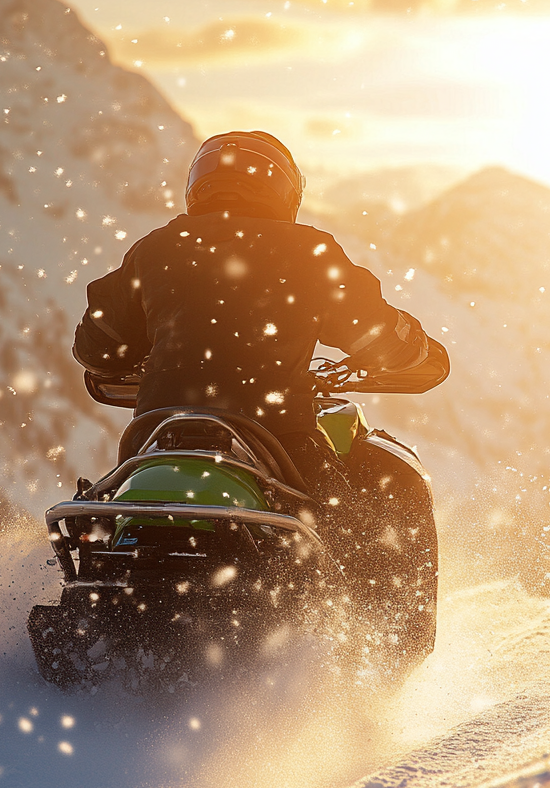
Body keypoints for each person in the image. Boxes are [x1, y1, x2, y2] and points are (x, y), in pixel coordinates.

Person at [72, 131, 448, 666]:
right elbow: (375, 332)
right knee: (373, 508)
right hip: (277, 435)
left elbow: (96, 343)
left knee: (104, 509)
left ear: (199, 187)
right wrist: (413, 347)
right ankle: (378, 658)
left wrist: (150, 342)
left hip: (159, 438)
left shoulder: (157, 248)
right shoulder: (308, 252)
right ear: (283, 193)